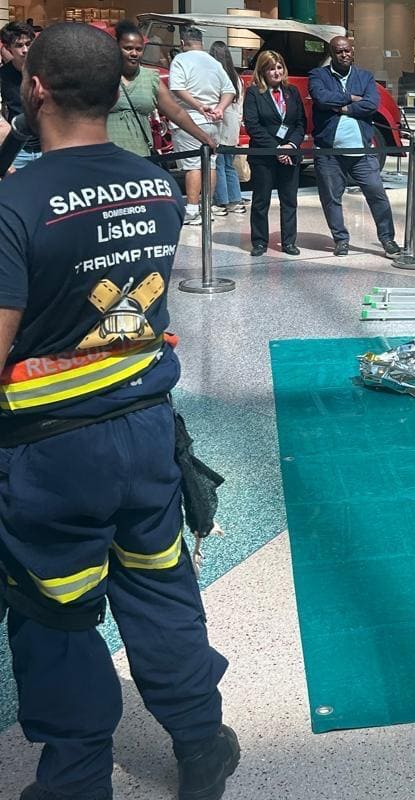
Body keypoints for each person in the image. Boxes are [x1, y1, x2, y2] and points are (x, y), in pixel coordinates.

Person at [0, 22, 237, 800]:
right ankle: (202, 743)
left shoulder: (16, 203)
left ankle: (73, 779)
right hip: (146, 434)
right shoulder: (156, 184)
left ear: (35, 88)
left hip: (52, 454)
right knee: (159, 582)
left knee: (57, 612)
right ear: (118, 90)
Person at [308, 36, 401, 258]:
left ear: (352, 51)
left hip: (363, 151)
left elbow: (371, 104)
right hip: (329, 152)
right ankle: (340, 239)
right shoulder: (318, 75)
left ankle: (388, 239)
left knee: (377, 195)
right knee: (331, 198)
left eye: (347, 51)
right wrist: (350, 98)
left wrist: (343, 109)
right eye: (339, 51)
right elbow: (321, 98)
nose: (344, 55)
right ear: (332, 54)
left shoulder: (365, 76)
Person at [108, 20, 217, 160]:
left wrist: (205, 138)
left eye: (139, 49)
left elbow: (176, 112)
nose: (134, 53)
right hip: (107, 155)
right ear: (116, 47)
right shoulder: (103, 75)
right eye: (128, 48)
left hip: (140, 155)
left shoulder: (150, 78)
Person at [169, 26, 236, 226]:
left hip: (189, 119)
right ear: (201, 42)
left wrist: (198, 106)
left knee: (192, 166)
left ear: (182, 43)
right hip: (213, 122)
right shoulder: (214, 62)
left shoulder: (180, 59)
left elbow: (177, 88)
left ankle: (192, 208)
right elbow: (229, 90)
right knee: (211, 164)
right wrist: (219, 108)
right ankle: (207, 206)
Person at [244, 49, 306, 257]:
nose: (276, 72)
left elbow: (300, 123)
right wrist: (275, 148)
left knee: (289, 200)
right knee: (261, 200)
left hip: (290, 152)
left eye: (279, 67)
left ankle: (289, 241)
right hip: (264, 156)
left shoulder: (292, 92)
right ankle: (260, 241)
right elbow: (253, 125)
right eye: (271, 69)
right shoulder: (254, 93)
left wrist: (291, 145)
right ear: (263, 71)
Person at [208, 41, 246, 216]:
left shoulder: (215, 75)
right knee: (229, 165)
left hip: (220, 125)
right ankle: (235, 200)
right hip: (233, 127)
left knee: (219, 164)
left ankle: (221, 202)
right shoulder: (237, 78)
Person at [0, 21, 40, 170]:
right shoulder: (3, 76)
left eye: (28, 44)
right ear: (8, 48)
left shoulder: (45, 71)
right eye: (18, 45)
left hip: (46, 144)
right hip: (17, 148)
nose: (25, 50)